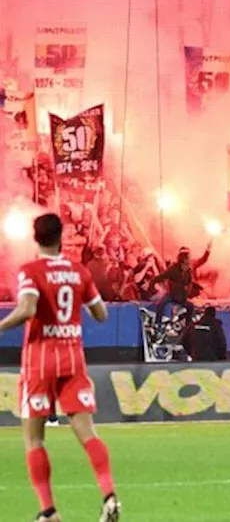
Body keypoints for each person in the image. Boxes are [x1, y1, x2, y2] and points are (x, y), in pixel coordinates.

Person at [0, 213, 120, 522]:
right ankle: (109, 496)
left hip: (39, 361)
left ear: (35, 237)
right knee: (88, 434)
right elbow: (102, 314)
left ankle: (48, 512)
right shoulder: (79, 272)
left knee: (34, 440)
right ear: (61, 237)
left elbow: (27, 308)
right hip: (72, 358)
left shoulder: (30, 270)